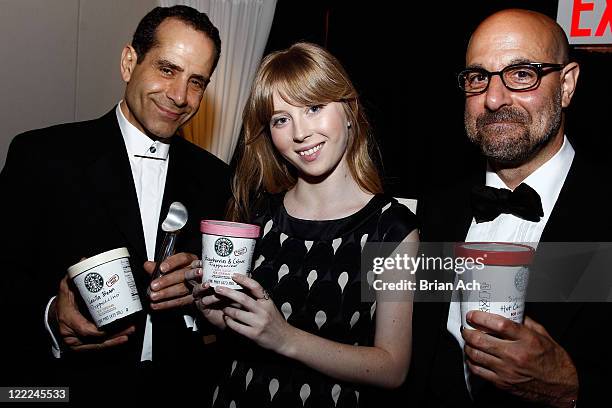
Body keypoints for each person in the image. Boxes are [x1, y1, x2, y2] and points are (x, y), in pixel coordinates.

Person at [0, 5, 230, 402]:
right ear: (129, 62)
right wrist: (53, 317)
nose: (180, 96)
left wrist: (202, 289)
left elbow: (226, 299)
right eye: (167, 69)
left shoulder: (217, 177)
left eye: (197, 82)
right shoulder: (42, 156)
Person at [192, 42, 418, 407]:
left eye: (313, 108)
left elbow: (393, 368)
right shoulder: (257, 216)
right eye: (281, 119)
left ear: (349, 110)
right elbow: (245, 336)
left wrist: (285, 338)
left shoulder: (392, 229)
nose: (300, 133)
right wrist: (223, 317)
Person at [415, 8, 612, 408]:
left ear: (568, 85)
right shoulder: (430, 213)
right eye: (478, 78)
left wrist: (571, 385)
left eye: (522, 74)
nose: (493, 98)